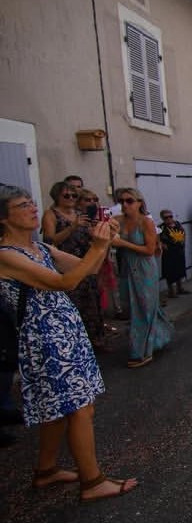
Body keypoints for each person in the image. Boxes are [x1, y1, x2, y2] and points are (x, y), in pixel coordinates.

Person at [0, 184, 138, 501]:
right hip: (45, 338)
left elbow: (82, 268)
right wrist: (99, 246)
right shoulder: (6, 255)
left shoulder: (41, 249)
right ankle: (92, 482)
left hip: (64, 332)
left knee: (60, 409)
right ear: (4, 218)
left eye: (32, 202)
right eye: (23, 205)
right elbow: (67, 281)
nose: (33, 208)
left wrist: (102, 244)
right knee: (79, 408)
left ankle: (46, 471)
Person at [112, 188, 173, 368]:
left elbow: (149, 250)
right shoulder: (117, 221)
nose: (125, 204)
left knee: (145, 308)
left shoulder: (146, 222)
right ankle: (159, 336)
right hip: (127, 267)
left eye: (129, 201)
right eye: (121, 201)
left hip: (145, 268)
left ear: (139, 203)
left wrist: (122, 243)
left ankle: (141, 351)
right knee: (131, 307)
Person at [42, 183, 107, 352]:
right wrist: (73, 227)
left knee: (92, 303)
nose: (71, 199)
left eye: (74, 196)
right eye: (66, 196)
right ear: (56, 196)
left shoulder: (80, 214)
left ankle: (96, 342)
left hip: (87, 261)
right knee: (74, 305)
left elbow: (89, 235)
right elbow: (49, 242)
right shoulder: (51, 214)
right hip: (66, 264)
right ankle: (76, 345)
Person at [158, 210, 190, 299]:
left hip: (178, 251)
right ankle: (171, 291)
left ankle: (180, 288)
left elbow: (183, 234)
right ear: (162, 218)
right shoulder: (161, 228)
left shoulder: (178, 224)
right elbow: (156, 238)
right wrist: (161, 244)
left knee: (180, 270)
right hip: (169, 253)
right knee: (170, 272)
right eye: (166, 217)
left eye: (170, 216)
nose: (169, 219)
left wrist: (183, 243)